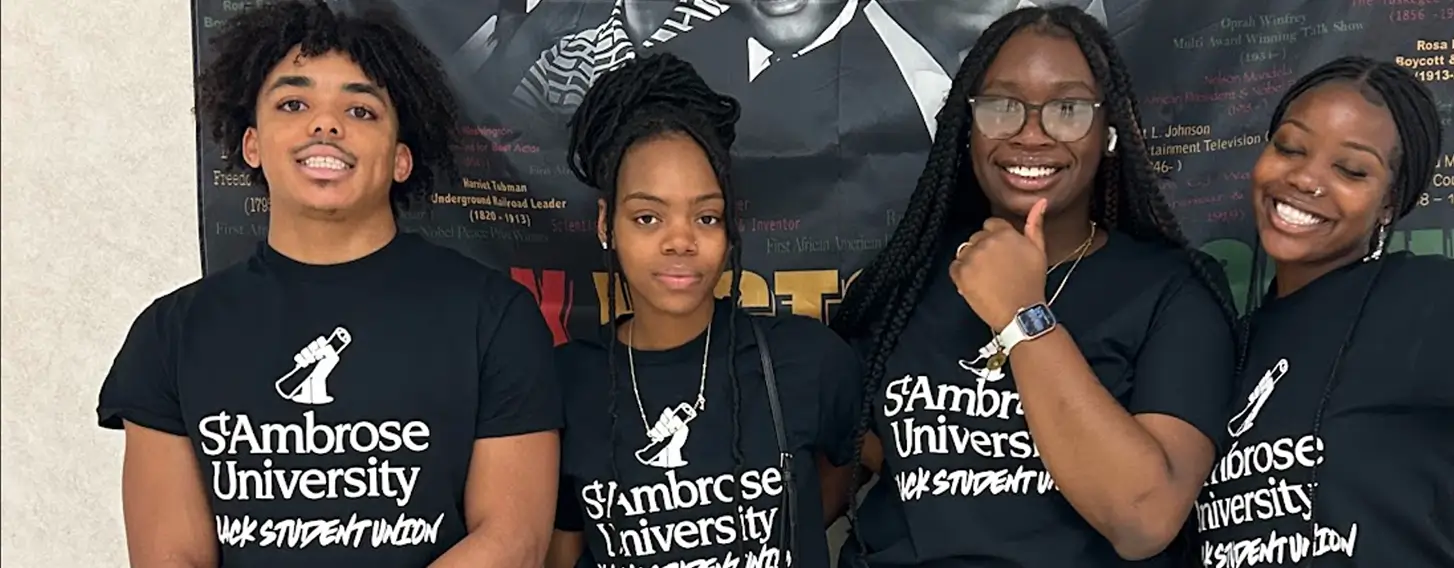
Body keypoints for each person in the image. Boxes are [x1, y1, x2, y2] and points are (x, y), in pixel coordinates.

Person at [95, 1, 562, 566]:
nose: (326, 124)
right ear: (251, 144)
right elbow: (171, 557)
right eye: (294, 103)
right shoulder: (169, 335)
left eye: (362, 110)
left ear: (401, 160)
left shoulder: (496, 316)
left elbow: (514, 542)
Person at [830, 5, 1240, 567]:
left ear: (1109, 131)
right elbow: (841, 468)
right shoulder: (902, 284)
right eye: (1001, 107)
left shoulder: (1172, 291)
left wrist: (1021, 314)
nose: (1030, 134)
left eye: (1067, 109)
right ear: (965, 127)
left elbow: (1143, 520)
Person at [543, 52, 864, 568]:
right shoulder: (566, 381)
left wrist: (792, 524)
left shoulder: (805, 359)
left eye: (706, 217)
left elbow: (880, 466)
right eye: (648, 217)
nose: (680, 241)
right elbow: (562, 550)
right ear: (607, 225)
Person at [1194, 56, 1453, 568]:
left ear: (1389, 202)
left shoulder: (1428, 300)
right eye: (1290, 147)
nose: (1306, 179)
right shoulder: (1219, 342)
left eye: (1351, 170)